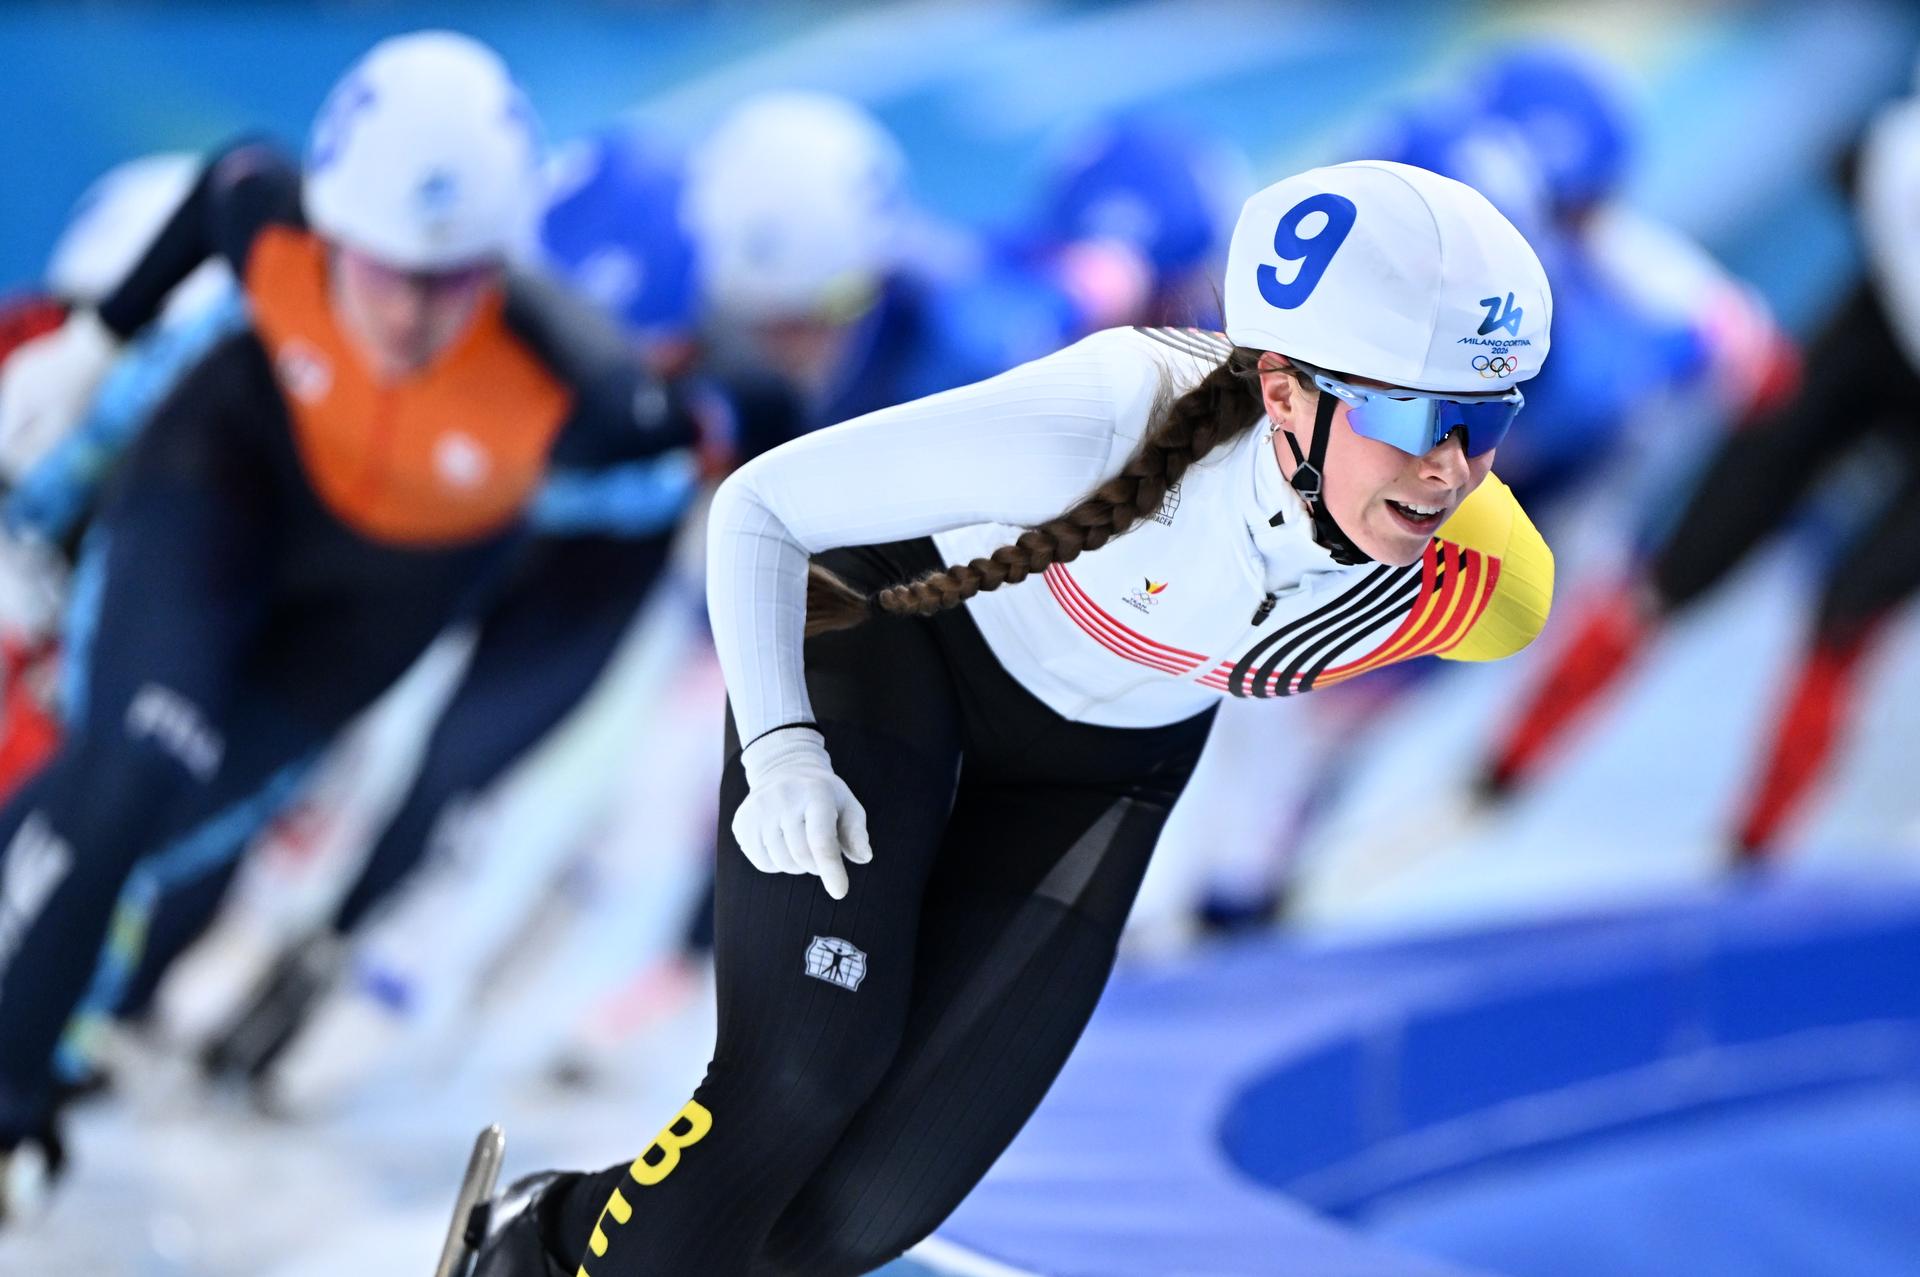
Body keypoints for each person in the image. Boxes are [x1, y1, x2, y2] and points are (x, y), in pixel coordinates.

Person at [471, 158, 1557, 1276]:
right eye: (1419, 416)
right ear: (1283, 390)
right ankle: (530, 1257)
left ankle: (548, 1227)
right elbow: (760, 506)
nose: (1451, 468)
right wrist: (785, 744)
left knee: (857, 1217)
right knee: (797, 1081)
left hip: (1097, 777)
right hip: (896, 646)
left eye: (1487, 421)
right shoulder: (1113, 411)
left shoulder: (1484, 582)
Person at [0, 30, 697, 1219]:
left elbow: (692, 478)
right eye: (379, 271)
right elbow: (221, 184)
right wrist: (97, 348)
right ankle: (16, 1107)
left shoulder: (593, 391)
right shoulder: (268, 217)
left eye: (453, 281)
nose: (413, 313)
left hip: (382, 599)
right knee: (133, 768)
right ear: (332, 227)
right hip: (224, 487)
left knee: (173, 827)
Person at [1471, 70, 1920, 863]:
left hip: (1880, 324)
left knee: (1848, 614)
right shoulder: (1901, 159)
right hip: (1871, 340)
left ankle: (1757, 849)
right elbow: (1867, 158)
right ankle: (1505, 762)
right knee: (1682, 564)